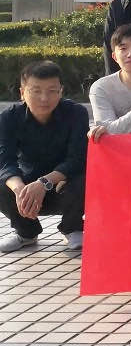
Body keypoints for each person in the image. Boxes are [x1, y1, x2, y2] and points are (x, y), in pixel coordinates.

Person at [0, 62, 88, 253]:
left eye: (52, 91)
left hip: (64, 187)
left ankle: (72, 228)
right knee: (5, 182)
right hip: (28, 190)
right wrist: (19, 190)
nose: (44, 98)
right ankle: (26, 232)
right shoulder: (9, 117)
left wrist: (44, 183)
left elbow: (77, 159)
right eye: (36, 91)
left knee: (85, 177)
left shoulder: (76, 113)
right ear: (22, 93)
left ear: (61, 91)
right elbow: (5, 161)